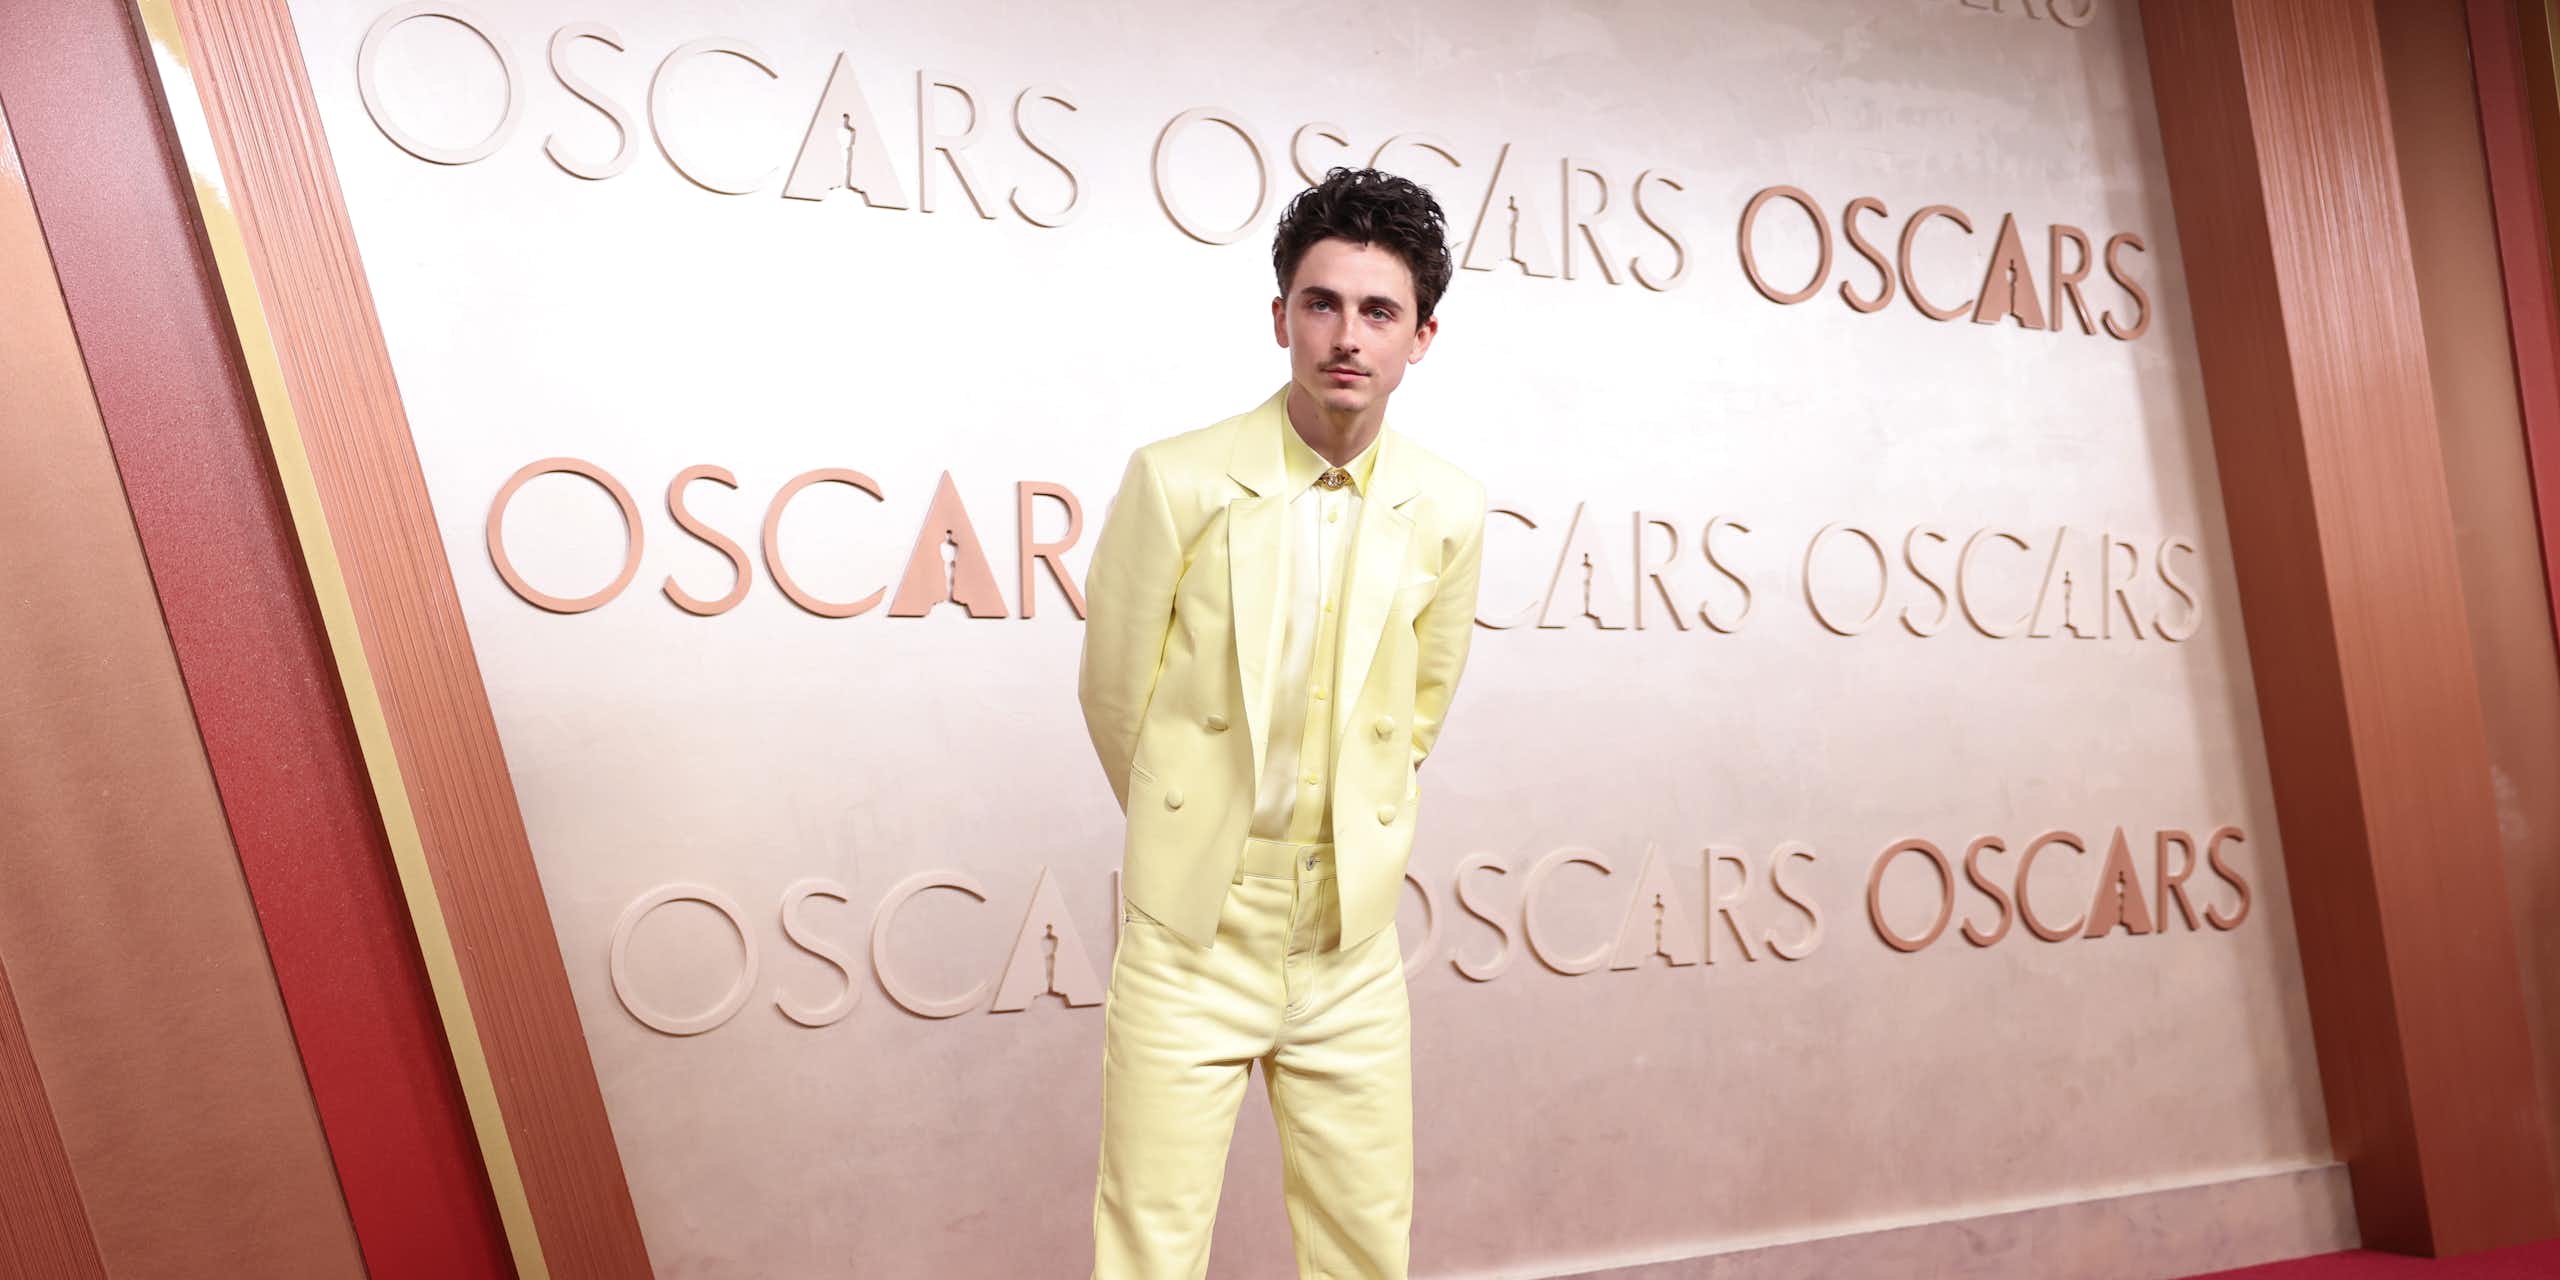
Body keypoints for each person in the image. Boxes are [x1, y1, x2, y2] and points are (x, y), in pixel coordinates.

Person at [1076, 165, 1491, 1279]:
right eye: (1321, 302)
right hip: (1190, 928)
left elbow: (1414, 715)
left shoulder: (1449, 508)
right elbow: (1115, 693)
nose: (1345, 335)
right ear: (1280, 317)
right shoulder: (1174, 480)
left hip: (1346, 935)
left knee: (1364, 1246)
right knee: (1149, 1246)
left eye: (1377, 310)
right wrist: (1191, 822)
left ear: (1421, 337)